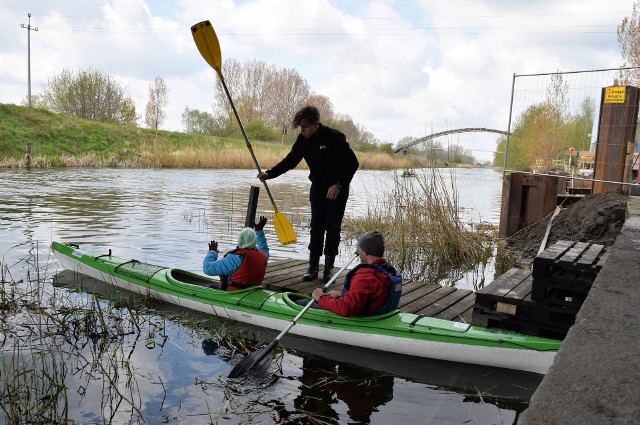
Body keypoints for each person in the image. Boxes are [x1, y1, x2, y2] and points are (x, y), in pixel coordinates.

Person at [257, 105, 359, 283]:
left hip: (337, 189)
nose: (302, 131)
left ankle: (328, 270)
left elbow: (353, 164)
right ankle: (312, 268)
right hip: (318, 188)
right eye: (300, 128)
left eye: (305, 127)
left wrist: (338, 185)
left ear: (316, 123)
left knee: (333, 228)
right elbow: (290, 160)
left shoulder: (335, 137)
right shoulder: (303, 140)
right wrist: (270, 174)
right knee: (316, 226)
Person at [307, 231, 402, 317]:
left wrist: (320, 297)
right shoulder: (389, 270)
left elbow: (346, 309)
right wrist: (341, 293)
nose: (358, 252)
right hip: (380, 314)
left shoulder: (366, 277)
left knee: (302, 303)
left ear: (365, 252)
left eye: (359, 249)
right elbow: (368, 293)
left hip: (364, 318)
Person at [203, 216, 269, 290]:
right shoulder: (263, 256)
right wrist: (259, 231)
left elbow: (207, 268)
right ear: (255, 240)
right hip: (251, 291)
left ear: (240, 239)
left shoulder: (235, 259)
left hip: (234, 293)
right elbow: (264, 249)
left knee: (210, 287)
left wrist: (212, 252)